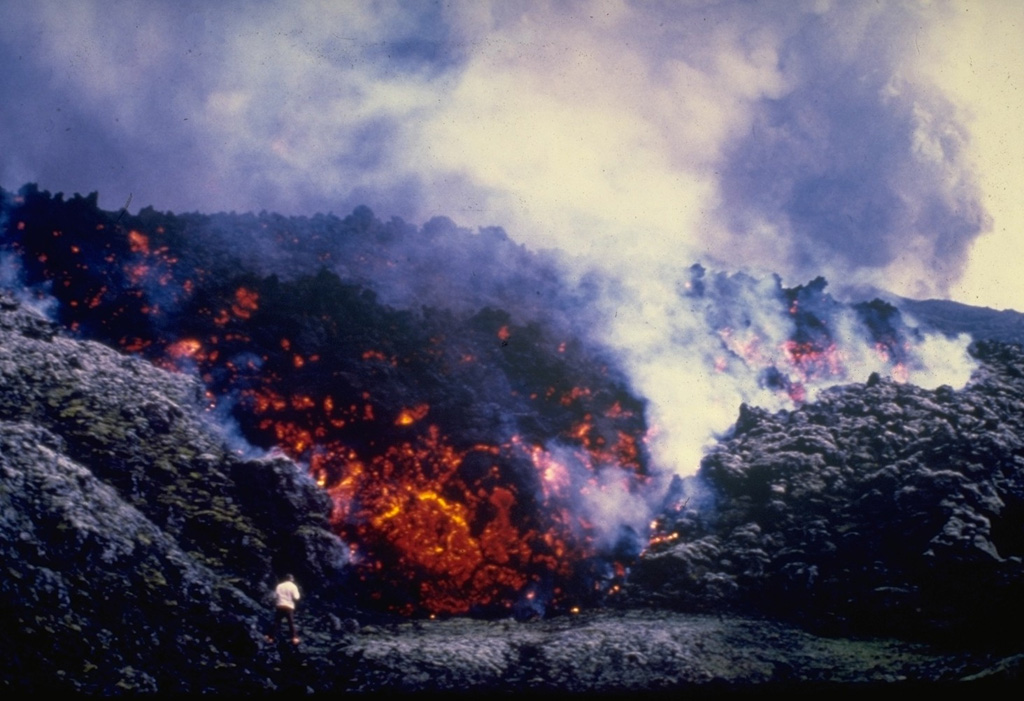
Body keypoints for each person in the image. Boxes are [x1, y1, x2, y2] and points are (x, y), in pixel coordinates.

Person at [266, 574, 301, 645]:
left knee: (276, 622)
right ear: (291, 579)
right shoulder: (293, 586)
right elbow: (296, 597)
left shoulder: (279, 585)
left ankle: (270, 638)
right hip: (289, 606)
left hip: (280, 605)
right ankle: (294, 638)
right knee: (291, 623)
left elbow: (275, 596)